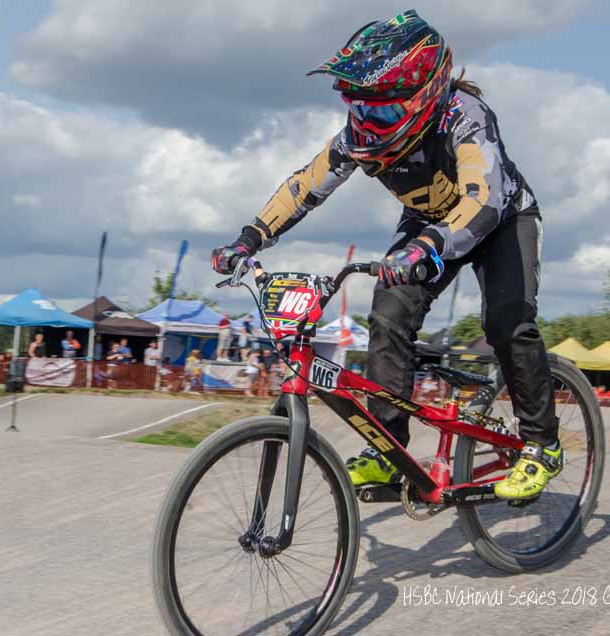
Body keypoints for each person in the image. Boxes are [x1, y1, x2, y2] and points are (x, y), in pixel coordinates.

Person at [211, 11, 560, 500]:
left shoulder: (465, 114)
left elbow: (482, 200)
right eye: (359, 110)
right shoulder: (357, 138)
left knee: (507, 323)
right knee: (388, 312)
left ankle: (542, 444)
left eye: (382, 113)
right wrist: (249, 238)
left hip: (500, 219)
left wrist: (428, 245)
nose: (368, 126)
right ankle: (388, 448)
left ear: (425, 96)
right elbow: (305, 186)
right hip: (430, 222)